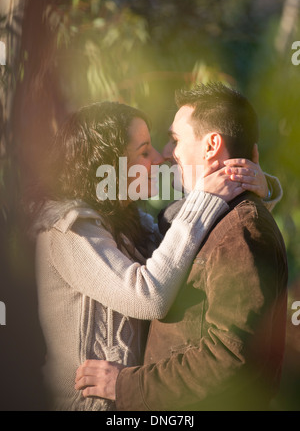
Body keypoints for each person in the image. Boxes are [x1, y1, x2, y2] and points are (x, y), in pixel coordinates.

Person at [31, 100, 261, 411]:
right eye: (143, 152)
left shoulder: (134, 221)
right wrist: (207, 197)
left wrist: (252, 188)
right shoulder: (68, 230)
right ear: (110, 165)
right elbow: (149, 294)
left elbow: (195, 250)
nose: (159, 158)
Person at [75, 83, 288, 411]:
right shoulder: (217, 218)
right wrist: (266, 188)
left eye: (176, 139)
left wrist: (127, 386)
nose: (167, 153)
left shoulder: (241, 228)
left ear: (211, 145)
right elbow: (176, 224)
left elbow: (230, 355)